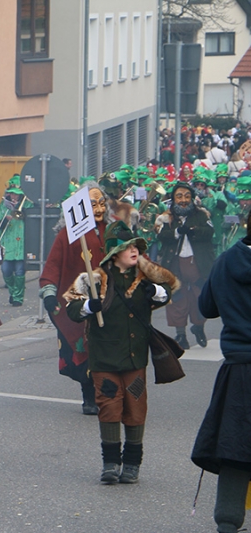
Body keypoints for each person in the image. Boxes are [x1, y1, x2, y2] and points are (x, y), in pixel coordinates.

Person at [64, 221, 176, 484]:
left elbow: (168, 290)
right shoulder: (94, 278)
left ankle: (133, 463)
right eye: (129, 247)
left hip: (135, 357)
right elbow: (71, 309)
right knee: (109, 407)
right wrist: (89, 306)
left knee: (136, 408)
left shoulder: (146, 275)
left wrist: (157, 291)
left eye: (137, 246)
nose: (135, 250)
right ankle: (111, 463)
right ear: (115, 253)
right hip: (104, 358)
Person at [192, 211, 251, 533]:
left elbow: (207, 307)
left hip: (239, 366)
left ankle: (228, 522)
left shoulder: (228, 260)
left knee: (236, 447)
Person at [40, 181, 109, 415]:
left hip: (110, 300)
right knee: (84, 349)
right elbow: (52, 266)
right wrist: (49, 292)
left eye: (102, 203)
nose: (99, 209)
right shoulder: (67, 235)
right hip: (79, 302)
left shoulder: (114, 230)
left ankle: (107, 392)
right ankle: (89, 396)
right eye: (92, 204)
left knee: (108, 347)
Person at [155, 181, 215, 349]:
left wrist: (193, 231)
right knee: (178, 298)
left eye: (187, 196)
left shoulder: (202, 215)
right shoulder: (166, 217)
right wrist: (176, 233)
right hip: (175, 263)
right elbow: (161, 236)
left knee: (199, 296)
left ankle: (198, 327)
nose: (183, 200)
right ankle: (181, 335)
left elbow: (210, 232)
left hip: (197, 262)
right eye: (179, 196)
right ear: (173, 199)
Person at [0, 176, 34, 306]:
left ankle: (18, 298)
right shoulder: (3, 204)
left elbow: (33, 221)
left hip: (22, 243)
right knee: (5, 270)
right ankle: (13, 292)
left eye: (17, 194)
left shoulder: (28, 204)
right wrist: (4, 219)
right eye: (12, 193)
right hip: (8, 242)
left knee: (19, 271)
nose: (14, 196)